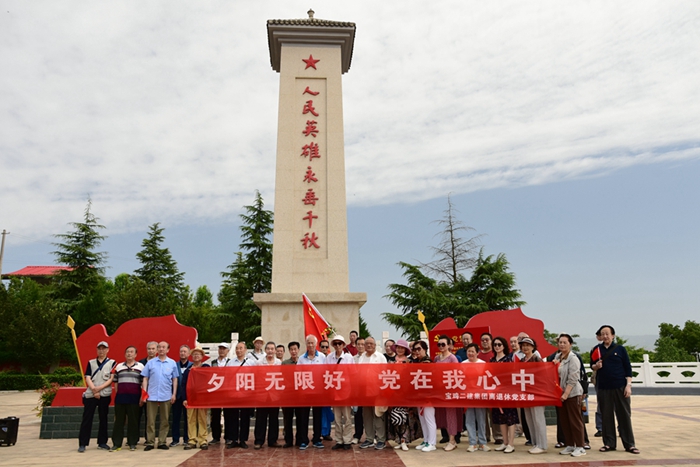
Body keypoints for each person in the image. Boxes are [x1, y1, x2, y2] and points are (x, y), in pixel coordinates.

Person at [591, 325, 639, 454]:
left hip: (620, 386)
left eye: (607, 333)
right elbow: (592, 365)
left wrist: (628, 385)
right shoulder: (597, 349)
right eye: (603, 334)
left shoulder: (620, 349)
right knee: (606, 416)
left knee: (624, 416)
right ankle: (609, 443)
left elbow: (628, 368)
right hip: (603, 387)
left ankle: (629, 444)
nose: (605, 336)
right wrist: (596, 366)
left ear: (613, 335)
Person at [78, 341, 115, 452]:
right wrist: (94, 389)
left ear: (108, 350)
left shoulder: (112, 363)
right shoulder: (91, 362)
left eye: (104, 348)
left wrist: (99, 389)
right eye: (99, 348)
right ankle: (83, 443)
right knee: (87, 419)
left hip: (104, 394)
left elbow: (111, 379)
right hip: (91, 394)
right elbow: (88, 377)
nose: (101, 351)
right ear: (97, 350)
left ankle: (102, 442)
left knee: (103, 418)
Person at [553, 334, 586, 457]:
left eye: (564, 342)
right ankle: (570, 444)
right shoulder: (557, 357)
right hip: (560, 394)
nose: (562, 345)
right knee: (565, 421)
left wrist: (566, 393)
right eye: (560, 342)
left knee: (575, 421)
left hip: (572, 394)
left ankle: (580, 446)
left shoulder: (573, 358)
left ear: (570, 344)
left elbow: (573, 378)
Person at [141, 341, 179, 451]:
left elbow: (175, 379)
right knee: (150, 421)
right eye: (159, 347)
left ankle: (162, 441)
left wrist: (174, 394)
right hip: (151, 395)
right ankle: (150, 442)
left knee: (165, 420)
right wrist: (144, 393)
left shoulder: (172, 363)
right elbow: (145, 378)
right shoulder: (151, 363)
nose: (161, 349)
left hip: (166, 395)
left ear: (168, 350)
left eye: (163, 347)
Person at [111, 345, 144, 452]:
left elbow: (143, 383)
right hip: (121, 398)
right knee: (119, 421)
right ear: (125, 354)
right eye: (127, 352)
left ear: (135, 354)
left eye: (131, 352)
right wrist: (118, 394)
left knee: (133, 421)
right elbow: (116, 383)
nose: (129, 354)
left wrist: (142, 397)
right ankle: (116, 444)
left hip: (134, 398)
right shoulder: (119, 366)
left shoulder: (140, 367)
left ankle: (132, 443)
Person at [433, 335, 463, 452]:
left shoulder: (452, 358)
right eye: (439, 344)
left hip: (450, 390)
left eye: (443, 344)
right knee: (442, 416)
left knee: (451, 415)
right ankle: (449, 439)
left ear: (449, 345)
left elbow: (456, 374)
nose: (441, 346)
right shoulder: (436, 358)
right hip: (439, 391)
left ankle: (452, 440)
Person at [297, 335, 327, 450]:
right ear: (306, 344)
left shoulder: (322, 357)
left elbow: (326, 373)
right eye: (308, 343)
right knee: (303, 416)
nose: (310, 345)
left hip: (318, 392)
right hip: (305, 392)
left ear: (316, 344)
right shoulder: (301, 359)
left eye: (312, 343)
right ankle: (303, 440)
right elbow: (298, 374)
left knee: (317, 416)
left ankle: (317, 439)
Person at [358, 337, 388, 450]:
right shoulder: (362, 357)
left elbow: (385, 373)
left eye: (371, 343)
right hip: (364, 391)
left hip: (377, 391)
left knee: (378, 415)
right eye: (367, 344)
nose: (369, 345)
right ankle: (369, 439)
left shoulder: (380, 357)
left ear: (375, 345)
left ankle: (381, 440)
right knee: (367, 416)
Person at [325, 335, 354, 450]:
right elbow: (326, 373)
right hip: (334, 391)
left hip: (346, 391)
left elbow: (353, 374)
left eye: (340, 343)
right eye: (335, 344)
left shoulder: (348, 358)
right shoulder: (329, 358)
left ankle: (347, 440)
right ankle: (339, 440)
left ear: (343, 345)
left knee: (347, 418)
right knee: (337, 418)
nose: (338, 346)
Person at [519, 337, 547, 454]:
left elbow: (543, 376)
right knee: (529, 419)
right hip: (526, 394)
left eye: (528, 345)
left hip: (537, 393)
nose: (525, 347)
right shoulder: (521, 361)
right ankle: (535, 443)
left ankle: (542, 445)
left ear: (533, 347)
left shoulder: (537, 359)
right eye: (523, 345)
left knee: (538, 419)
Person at [490, 337, 519, 454]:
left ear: (504, 346)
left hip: (507, 393)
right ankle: (505, 442)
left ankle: (511, 443)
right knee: (501, 418)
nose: (497, 347)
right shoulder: (492, 361)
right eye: (495, 345)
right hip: (496, 393)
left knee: (510, 418)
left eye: (499, 344)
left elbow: (511, 376)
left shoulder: (508, 360)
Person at [225, 342, 256, 449]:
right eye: (237, 348)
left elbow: (255, 377)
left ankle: (243, 440)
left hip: (246, 394)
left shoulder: (251, 363)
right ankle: (233, 439)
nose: (239, 350)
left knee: (245, 417)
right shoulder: (230, 363)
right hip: (233, 394)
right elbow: (227, 377)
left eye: (241, 348)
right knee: (233, 417)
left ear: (245, 350)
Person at [253, 342, 282, 449]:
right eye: (268, 349)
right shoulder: (259, 362)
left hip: (274, 395)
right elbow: (255, 377)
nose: (270, 351)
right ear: (265, 350)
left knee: (274, 418)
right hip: (262, 394)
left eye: (272, 349)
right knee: (261, 419)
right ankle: (259, 441)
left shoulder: (279, 362)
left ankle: (273, 440)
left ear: (275, 351)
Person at [462, 343, 490, 453]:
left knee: (481, 419)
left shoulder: (483, 364)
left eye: (472, 351)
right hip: (467, 396)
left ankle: (482, 443)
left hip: (480, 396)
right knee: (469, 420)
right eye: (468, 351)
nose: (470, 353)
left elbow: (487, 379)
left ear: (477, 353)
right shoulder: (463, 364)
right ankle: (472, 443)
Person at [182, 347, 210, 450]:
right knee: (191, 419)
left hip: (202, 398)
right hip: (191, 398)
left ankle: (203, 440)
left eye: (198, 354)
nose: (196, 356)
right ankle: (192, 440)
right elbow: (183, 385)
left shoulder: (206, 367)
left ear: (202, 356)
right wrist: (184, 398)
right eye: (194, 354)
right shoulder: (188, 370)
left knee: (202, 418)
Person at [387, 339, 412, 451]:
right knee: (395, 417)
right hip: (393, 393)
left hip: (405, 394)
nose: (400, 350)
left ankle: (404, 440)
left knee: (404, 417)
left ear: (405, 350)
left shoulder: (409, 362)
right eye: (398, 347)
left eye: (402, 348)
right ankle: (398, 439)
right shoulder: (390, 361)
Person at [411, 340, 436, 452]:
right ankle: (426, 440)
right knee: (423, 420)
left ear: (425, 349)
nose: (417, 351)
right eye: (414, 349)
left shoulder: (428, 362)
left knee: (429, 419)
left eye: (419, 349)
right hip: (419, 394)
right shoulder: (417, 362)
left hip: (428, 395)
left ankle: (432, 443)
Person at [281, 341, 302, 448]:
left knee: (300, 418)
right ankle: (288, 440)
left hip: (300, 395)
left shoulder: (302, 362)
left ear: (298, 350)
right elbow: (282, 377)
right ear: (289, 351)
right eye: (291, 349)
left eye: (295, 349)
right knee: (287, 419)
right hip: (288, 395)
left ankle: (299, 439)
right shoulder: (285, 363)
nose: (294, 351)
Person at [170, 344, 192, 447]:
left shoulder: (192, 366)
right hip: (177, 396)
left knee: (188, 418)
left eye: (185, 351)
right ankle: (175, 439)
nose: (183, 353)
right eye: (181, 351)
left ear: (188, 353)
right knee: (176, 418)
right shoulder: (174, 365)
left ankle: (187, 438)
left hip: (188, 397)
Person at [209, 343, 231, 445]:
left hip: (227, 392)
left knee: (228, 415)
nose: (222, 350)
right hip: (216, 392)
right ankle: (216, 436)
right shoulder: (213, 362)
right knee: (215, 415)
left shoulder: (230, 362)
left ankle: (228, 436)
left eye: (224, 349)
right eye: (220, 349)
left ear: (228, 351)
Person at [138, 341, 158, 442]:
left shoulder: (159, 362)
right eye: (149, 349)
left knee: (149, 417)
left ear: (157, 350)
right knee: (136, 416)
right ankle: (134, 439)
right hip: (140, 393)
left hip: (153, 394)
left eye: (153, 349)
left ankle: (148, 438)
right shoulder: (140, 363)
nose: (151, 351)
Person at [350, 337, 366, 444]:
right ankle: (357, 435)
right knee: (358, 414)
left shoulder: (369, 358)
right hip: (357, 391)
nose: (360, 346)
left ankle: (372, 435)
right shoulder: (352, 359)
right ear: (355, 345)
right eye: (358, 344)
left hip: (368, 390)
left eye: (362, 344)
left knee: (369, 414)